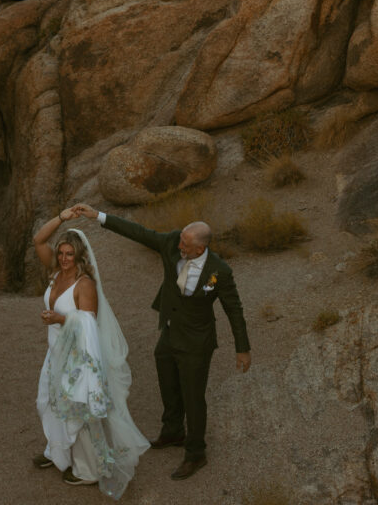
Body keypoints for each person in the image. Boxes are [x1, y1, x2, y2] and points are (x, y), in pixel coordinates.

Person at [73, 204, 251, 481]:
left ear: (199, 250)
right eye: (180, 239)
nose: (178, 243)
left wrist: (243, 349)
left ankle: (195, 453)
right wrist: (98, 216)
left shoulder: (219, 272)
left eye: (185, 243)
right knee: (168, 381)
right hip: (170, 332)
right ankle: (172, 431)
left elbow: (234, 309)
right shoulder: (171, 242)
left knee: (194, 398)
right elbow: (139, 232)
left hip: (196, 342)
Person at [33, 207, 149, 497]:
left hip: (78, 360)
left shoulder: (84, 284)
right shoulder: (55, 272)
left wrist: (60, 319)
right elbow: (38, 240)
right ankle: (57, 452)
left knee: (79, 414)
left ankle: (88, 471)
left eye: (69, 254)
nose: (63, 258)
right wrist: (61, 217)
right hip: (54, 355)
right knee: (46, 401)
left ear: (80, 255)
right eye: (61, 252)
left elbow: (89, 322)